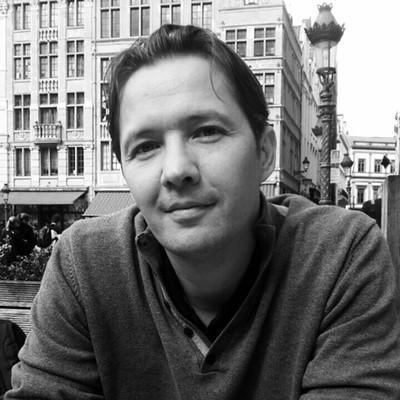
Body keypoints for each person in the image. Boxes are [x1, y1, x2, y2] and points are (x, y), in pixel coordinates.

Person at [5, 24, 400, 399]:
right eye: (145, 147)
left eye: (207, 131)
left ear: (264, 152)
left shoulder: (340, 253)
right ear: (124, 169)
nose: (177, 170)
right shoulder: (85, 265)